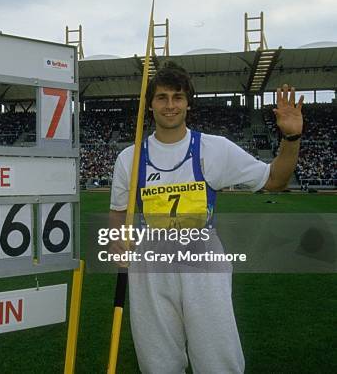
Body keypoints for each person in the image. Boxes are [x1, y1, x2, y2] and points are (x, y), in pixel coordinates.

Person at [109, 61, 303, 373]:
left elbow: (275, 180)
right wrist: (119, 239)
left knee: (217, 356)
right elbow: (119, 211)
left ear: (188, 103)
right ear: (150, 104)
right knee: (157, 360)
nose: (170, 105)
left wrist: (291, 138)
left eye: (177, 97)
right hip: (150, 263)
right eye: (162, 97)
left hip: (202, 259)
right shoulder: (129, 158)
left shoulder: (214, 149)